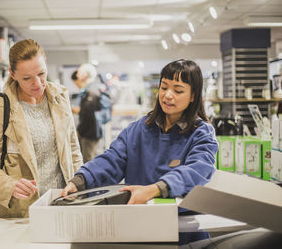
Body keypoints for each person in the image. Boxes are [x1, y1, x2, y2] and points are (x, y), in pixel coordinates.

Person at [62, 59, 218, 204]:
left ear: (193, 96)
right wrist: (81, 180)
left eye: (178, 91)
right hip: (138, 219)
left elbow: (197, 170)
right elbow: (112, 159)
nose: (167, 95)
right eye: (164, 87)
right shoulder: (138, 129)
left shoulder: (201, 134)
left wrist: (155, 189)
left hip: (183, 225)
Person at [0, 39, 83, 218]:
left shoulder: (60, 97)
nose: (37, 83)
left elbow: (73, 150)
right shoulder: (0, 108)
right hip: (22, 211)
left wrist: (79, 185)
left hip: (62, 203)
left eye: (41, 73)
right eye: (27, 78)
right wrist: (9, 185)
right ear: (12, 74)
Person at [71, 63, 108, 163]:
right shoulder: (90, 91)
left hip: (89, 134)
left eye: (79, 72)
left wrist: (80, 131)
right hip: (91, 132)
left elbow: (87, 115)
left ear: (85, 76)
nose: (77, 75)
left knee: (89, 162)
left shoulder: (91, 92)